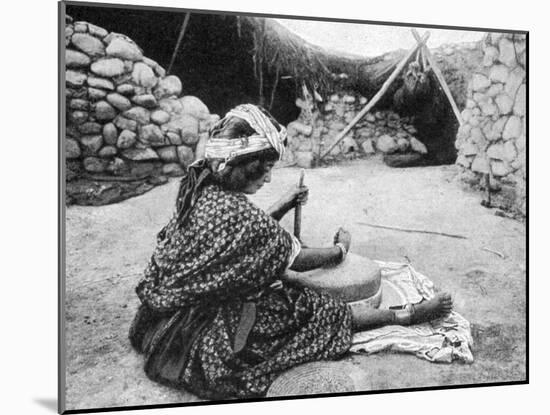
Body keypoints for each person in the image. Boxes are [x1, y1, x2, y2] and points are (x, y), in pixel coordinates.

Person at [129, 104, 453, 399]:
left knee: (285, 280)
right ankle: (409, 315)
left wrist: (282, 205)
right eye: (265, 167)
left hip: (161, 318)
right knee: (315, 308)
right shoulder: (241, 215)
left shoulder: (199, 188)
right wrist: (341, 248)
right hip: (202, 329)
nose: (268, 178)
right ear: (239, 163)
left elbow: (240, 240)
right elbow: (296, 257)